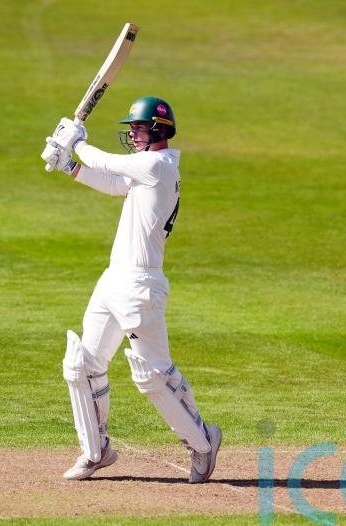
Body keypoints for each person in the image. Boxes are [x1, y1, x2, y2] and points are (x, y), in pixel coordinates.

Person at [40, 96, 221, 483]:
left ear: (159, 130)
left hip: (141, 285)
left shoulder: (158, 165)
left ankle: (203, 443)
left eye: (138, 128)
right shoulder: (145, 170)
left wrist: (76, 141)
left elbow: (107, 162)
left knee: (152, 377)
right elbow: (112, 184)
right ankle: (96, 452)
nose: (133, 134)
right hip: (114, 279)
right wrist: (70, 165)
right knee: (83, 365)